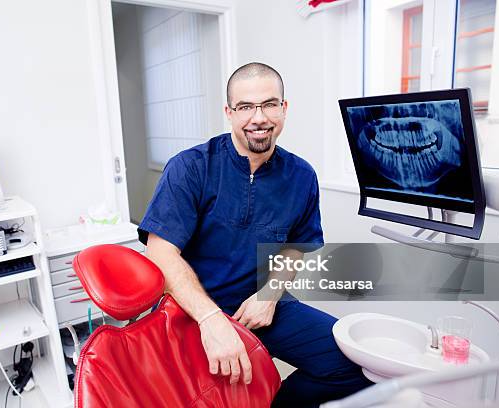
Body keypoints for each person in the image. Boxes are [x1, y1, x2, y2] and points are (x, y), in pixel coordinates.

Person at [138, 62, 372, 407]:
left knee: (355, 367)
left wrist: (270, 294)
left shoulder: (301, 175)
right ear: (229, 113)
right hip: (191, 310)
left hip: (264, 306)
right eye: (246, 107)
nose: (258, 117)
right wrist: (210, 318)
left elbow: (295, 246)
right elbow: (160, 253)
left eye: (269, 104)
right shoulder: (190, 167)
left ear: (284, 109)